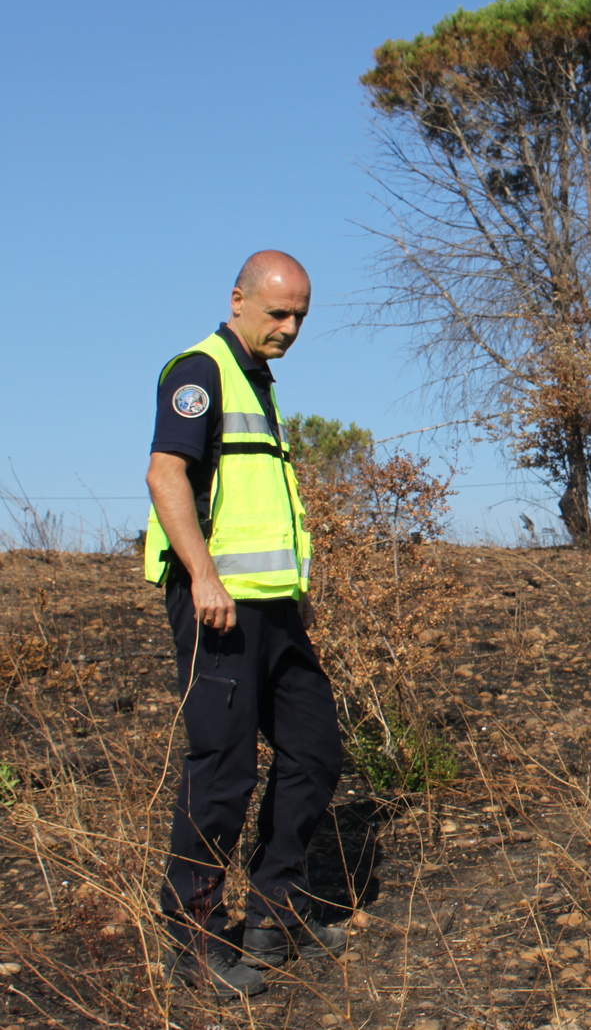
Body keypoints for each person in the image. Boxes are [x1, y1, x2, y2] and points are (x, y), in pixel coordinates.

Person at [144, 250, 346, 998]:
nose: (290, 328)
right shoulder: (199, 372)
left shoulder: (258, 383)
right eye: (277, 313)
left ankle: (275, 914)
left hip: (274, 610)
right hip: (218, 606)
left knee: (315, 750)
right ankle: (192, 944)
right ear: (238, 299)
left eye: (300, 316)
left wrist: (296, 594)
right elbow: (167, 473)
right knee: (223, 773)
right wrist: (202, 575)